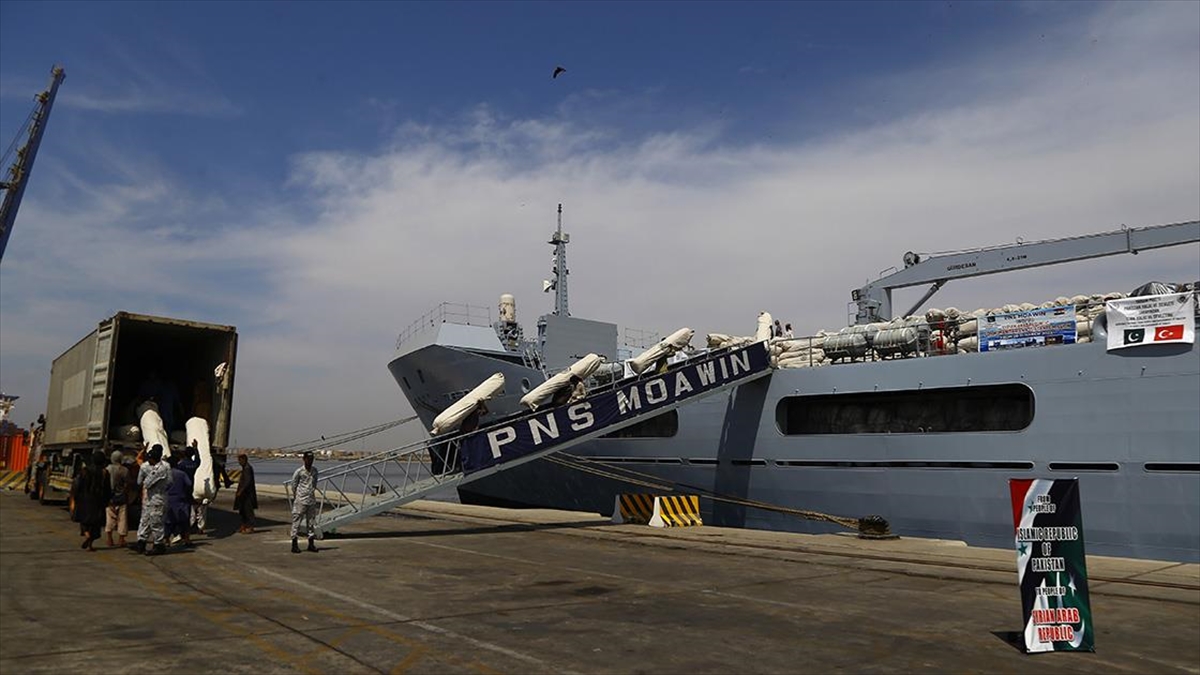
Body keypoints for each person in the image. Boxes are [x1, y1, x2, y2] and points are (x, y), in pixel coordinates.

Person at [135, 444, 171, 555]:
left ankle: (155, 544)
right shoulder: (166, 466)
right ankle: (146, 543)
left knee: (152, 522)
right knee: (150, 521)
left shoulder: (148, 467)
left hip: (152, 498)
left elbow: (141, 482)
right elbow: (170, 482)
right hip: (159, 497)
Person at [75, 451, 112, 552]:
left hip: (85, 499)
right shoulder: (105, 473)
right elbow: (107, 489)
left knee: (85, 521)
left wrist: (76, 497)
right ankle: (90, 543)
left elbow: (78, 485)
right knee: (95, 523)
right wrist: (107, 500)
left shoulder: (85, 471)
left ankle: (86, 534)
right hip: (98, 500)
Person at [288, 451, 320, 554]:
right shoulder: (299, 471)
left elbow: (314, 483)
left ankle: (311, 544)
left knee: (311, 523)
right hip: (300, 500)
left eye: (312, 459)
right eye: (308, 459)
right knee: (296, 522)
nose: (310, 461)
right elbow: (293, 485)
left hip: (311, 500)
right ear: (304, 459)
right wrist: (297, 496)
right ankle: (294, 544)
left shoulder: (315, 471)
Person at [164, 454, 194, 548]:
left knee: (168, 521)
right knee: (184, 521)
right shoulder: (181, 474)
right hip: (181, 500)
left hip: (168, 499)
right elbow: (189, 484)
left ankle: (166, 540)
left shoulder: (165, 474)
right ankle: (187, 540)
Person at [104, 451, 131, 548]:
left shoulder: (108, 469)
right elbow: (127, 484)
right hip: (121, 497)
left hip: (110, 498)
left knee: (110, 518)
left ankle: (109, 539)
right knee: (122, 519)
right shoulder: (125, 470)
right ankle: (121, 539)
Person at [234, 453, 257, 533]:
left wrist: (240, 491)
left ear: (244, 460)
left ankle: (250, 527)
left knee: (248, 511)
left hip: (247, 495)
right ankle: (243, 525)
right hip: (244, 495)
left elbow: (247, 482)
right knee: (242, 511)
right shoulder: (245, 468)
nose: (239, 462)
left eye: (240, 460)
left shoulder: (247, 468)